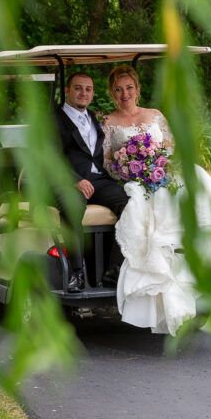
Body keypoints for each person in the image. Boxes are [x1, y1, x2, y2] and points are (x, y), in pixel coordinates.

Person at [102, 65, 211, 335]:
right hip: (134, 179)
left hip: (162, 172)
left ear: (137, 88)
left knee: (193, 177)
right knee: (146, 200)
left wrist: (159, 165)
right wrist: (131, 170)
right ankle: (164, 265)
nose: (125, 94)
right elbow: (107, 163)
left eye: (129, 87)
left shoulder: (155, 115)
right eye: (118, 89)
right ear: (112, 92)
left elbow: (169, 149)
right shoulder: (109, 122)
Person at [55, 71, 128, 292]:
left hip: (97, 179)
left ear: (93, 93)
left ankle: (113, 270)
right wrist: (75, 181)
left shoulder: (93, 117)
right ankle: (76, 273)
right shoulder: (52, 119)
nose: (83, 93)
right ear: (67, 91)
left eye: (88, 89)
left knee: (130, 203)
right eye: (78, 88)